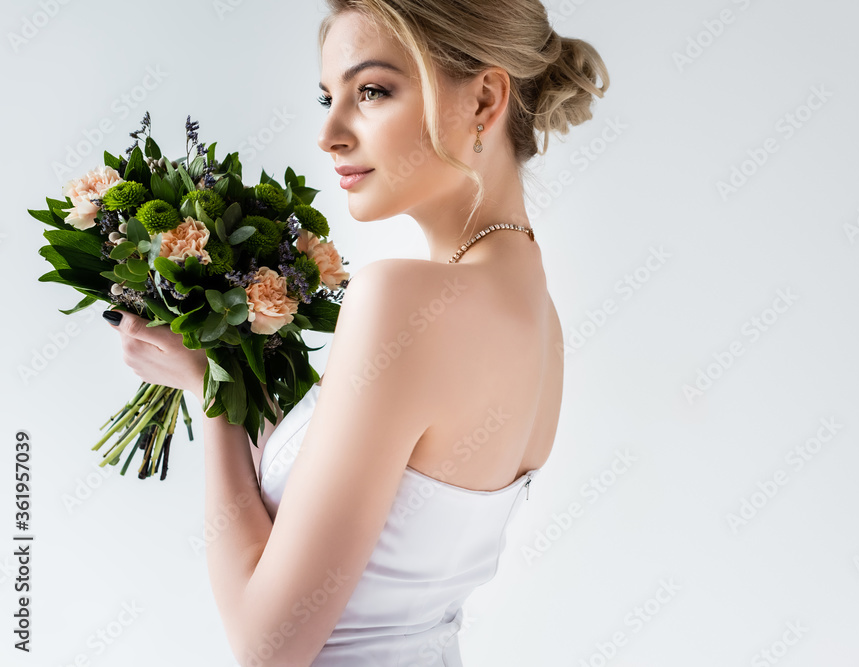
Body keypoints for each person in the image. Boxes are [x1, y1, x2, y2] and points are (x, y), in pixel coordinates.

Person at [104, 1, 608, 664]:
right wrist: (219, 368)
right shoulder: (540, 319)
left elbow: (268, 646)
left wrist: (216, 400)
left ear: (485, 99)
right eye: (327, 97)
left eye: (371, 91)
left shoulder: (400, 299)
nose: (331, 133)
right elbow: (378, 532)